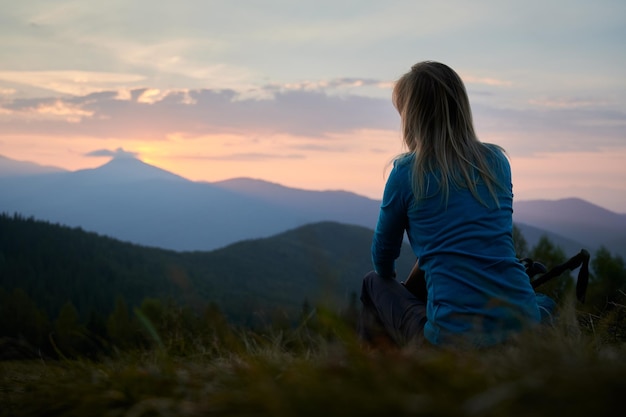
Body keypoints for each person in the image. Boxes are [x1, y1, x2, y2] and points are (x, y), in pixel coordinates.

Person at [359, 61, 554, 348]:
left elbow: (383, 259)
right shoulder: (497, 162)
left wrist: (411, 285)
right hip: (522, 328)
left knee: (372, 282)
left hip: (449, 342)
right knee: (544, 303)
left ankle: (376, 378)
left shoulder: (407, 172)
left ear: (412, 116)